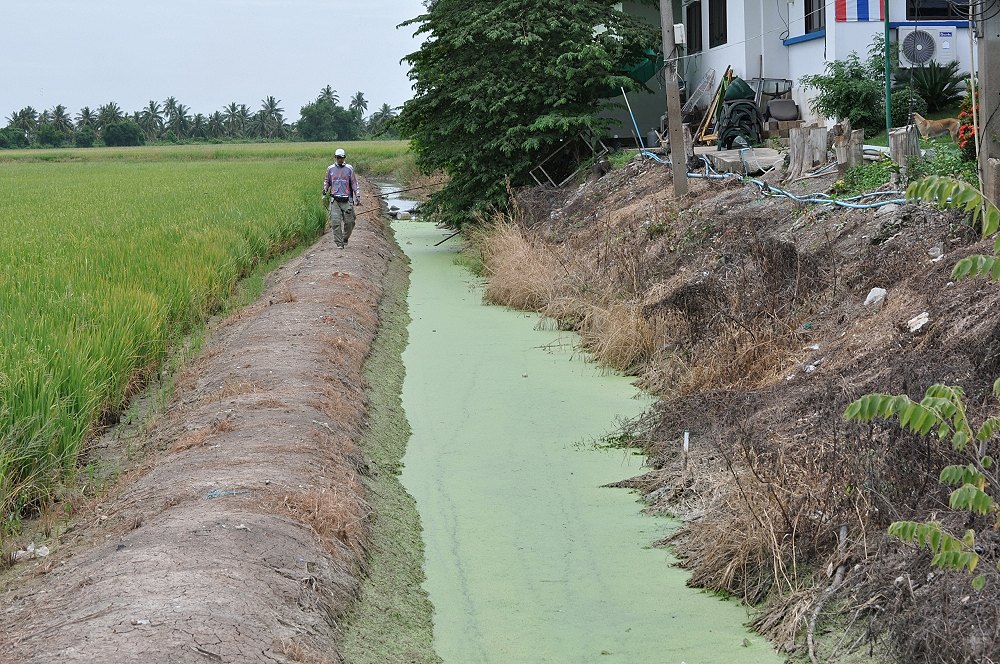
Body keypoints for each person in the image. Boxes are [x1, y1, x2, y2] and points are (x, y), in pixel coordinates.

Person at [322, 148, 361, 249]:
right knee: (335, 222)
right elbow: (327, 181)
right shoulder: (330, 169)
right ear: (335, 157)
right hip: (335, 199)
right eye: (338, 157)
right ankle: (339, 243)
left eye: (342, 157)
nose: (340, 159)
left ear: (344, 158)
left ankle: (345, 238)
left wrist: (357, 195)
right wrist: (325, 189)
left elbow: (353, 183)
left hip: (347, 200)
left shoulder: (349, 169)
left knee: (350, 222)